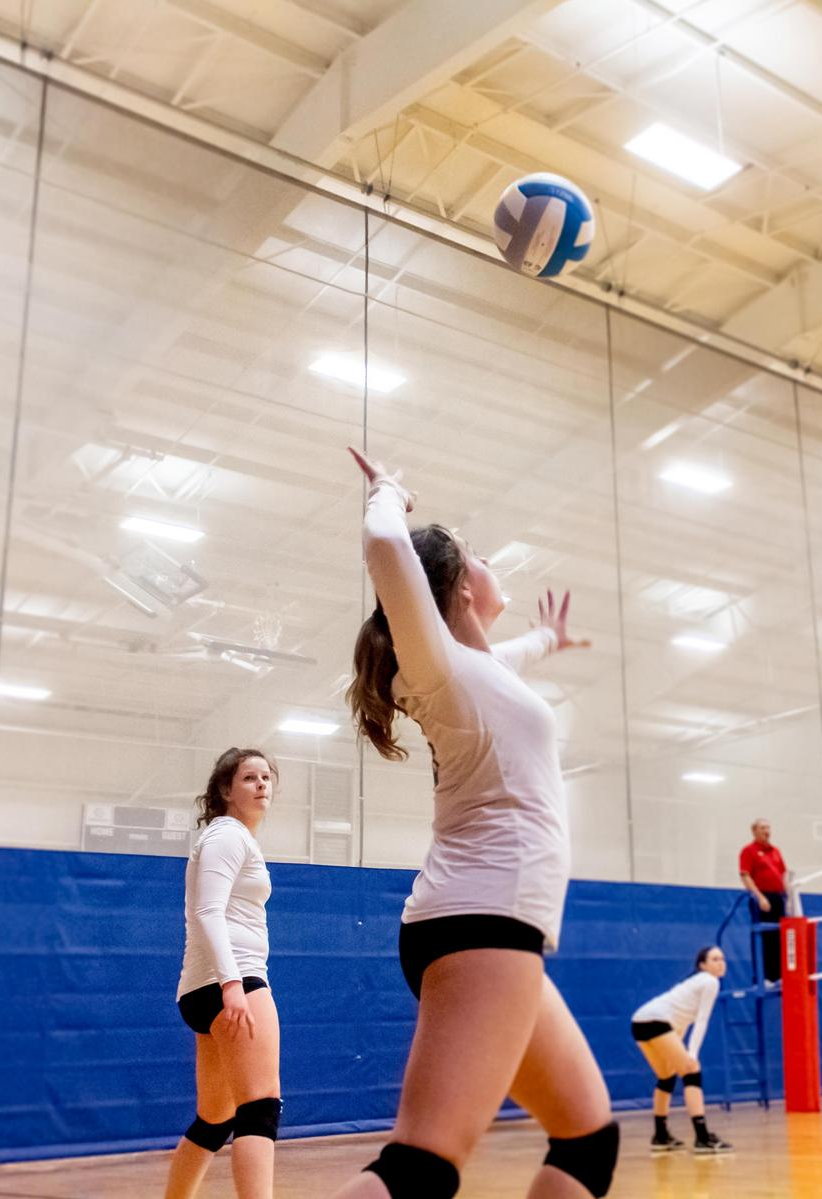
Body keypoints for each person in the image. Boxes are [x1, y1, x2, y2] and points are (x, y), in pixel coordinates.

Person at [334, 448, 615, 1199]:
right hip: (482, 919)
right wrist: (388, 492)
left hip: (486, 920)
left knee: (588, 1136)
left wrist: (548, 641)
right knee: (421, 1166)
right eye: (477, 552)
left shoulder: (474, 671)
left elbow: (506, 661)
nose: (492, 560)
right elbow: (389, 546)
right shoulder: (441, 668)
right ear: (458, 584)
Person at [166, 749, 282, 1199]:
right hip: (233, 983)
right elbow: (208, 911)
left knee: (216, 1119)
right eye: (249, 777)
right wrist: (234, 985)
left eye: (266, 777)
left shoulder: (232, 838)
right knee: (260, 1107)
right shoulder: (227, 835)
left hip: (205, 990)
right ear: (224, 790)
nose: (261, 784)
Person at [629, 947, 733, 1156]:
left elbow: (681, 1021)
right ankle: (702, 1138)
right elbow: (702, 1020)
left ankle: (660, 1135)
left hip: (639, 1022)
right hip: (657, 1022)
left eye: (722, 958)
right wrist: (692, 1054)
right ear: (702, 965)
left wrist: (684, 1050)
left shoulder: (691, 983)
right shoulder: (709, 981)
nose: (720, 963)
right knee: (691, 1072)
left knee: (666, 1077)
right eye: (714, 959)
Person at [738, 819, 792, 984]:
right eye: (763, 828)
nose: (766, 831)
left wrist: (789, 895)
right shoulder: (749, 851)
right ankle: (763, 977)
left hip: (778, 897)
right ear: (754, 831)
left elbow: (784, 874)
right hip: (762, 898)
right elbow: (745, 875)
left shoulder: (775, 851)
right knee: (763, 936)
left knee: (778, 936)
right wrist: (759, 897)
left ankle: (777, 976)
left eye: (768, 827)